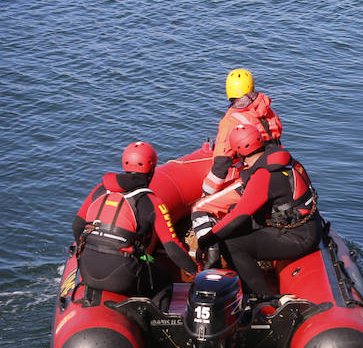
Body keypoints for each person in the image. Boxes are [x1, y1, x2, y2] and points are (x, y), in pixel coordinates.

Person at [195, 124, 321, 298]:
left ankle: (262, 297)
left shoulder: (264, 176)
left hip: (298, 237)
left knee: (230, 243)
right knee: (234, 222)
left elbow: (238, 216)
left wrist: (205, 241)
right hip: (307, 226)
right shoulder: (282, 160)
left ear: (238, 153)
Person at [72, 141, 197, 296]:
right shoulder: (152, 202)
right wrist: (196, 272)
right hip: (121, 275)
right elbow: (173, 248)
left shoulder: (100, 189)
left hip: (87, 268)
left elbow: (77, 226)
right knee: (164, 278)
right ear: (152, 170)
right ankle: (155, 319)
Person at [201, 68, 284, 197]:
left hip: (256, 176)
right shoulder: (266, 109)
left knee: (201, 209)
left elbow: (221, 165)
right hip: (279, 164)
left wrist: (206, 194)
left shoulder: (230, 121)